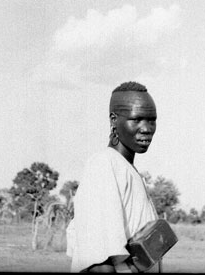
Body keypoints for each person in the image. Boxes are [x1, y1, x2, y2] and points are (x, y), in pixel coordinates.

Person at [66, 81, 159, 273]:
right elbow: (98, 261)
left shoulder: (127, 169)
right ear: (114, 120)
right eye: (137, 119)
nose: (146, 128)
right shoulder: (103, 164)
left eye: (152, 120)